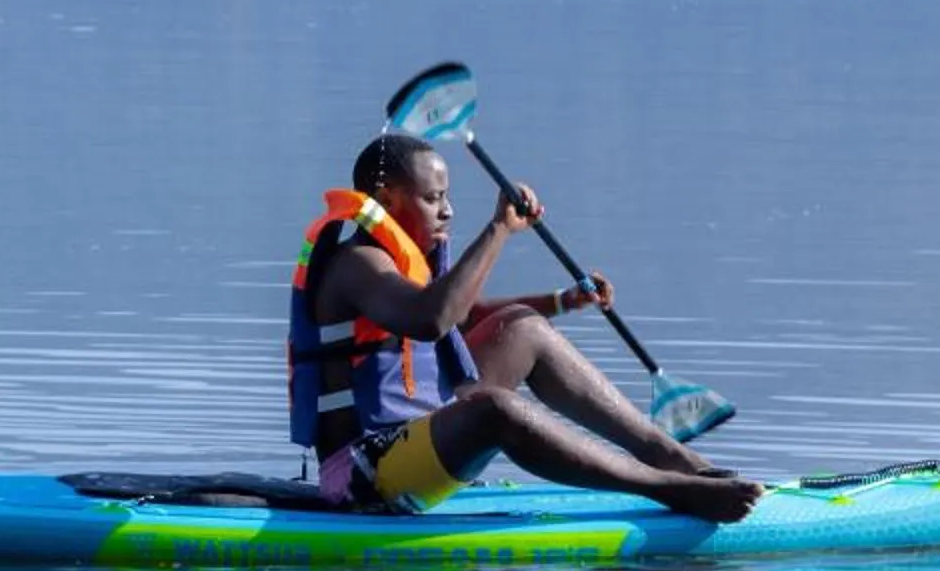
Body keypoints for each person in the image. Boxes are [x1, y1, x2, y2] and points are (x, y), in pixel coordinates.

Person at [289, 132, 761, 525]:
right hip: (363, 474)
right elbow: (431, 320)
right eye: (433, 199)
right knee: (495, 409)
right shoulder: (357, 262)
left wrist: (559, 302)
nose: (447, 211)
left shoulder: (397, 260)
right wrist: (498, 230)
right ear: (387, 198)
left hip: (412, 440)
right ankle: (669, 490)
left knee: (522, 329)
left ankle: (671, 457)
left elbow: (459, 319)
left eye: (446, 197)